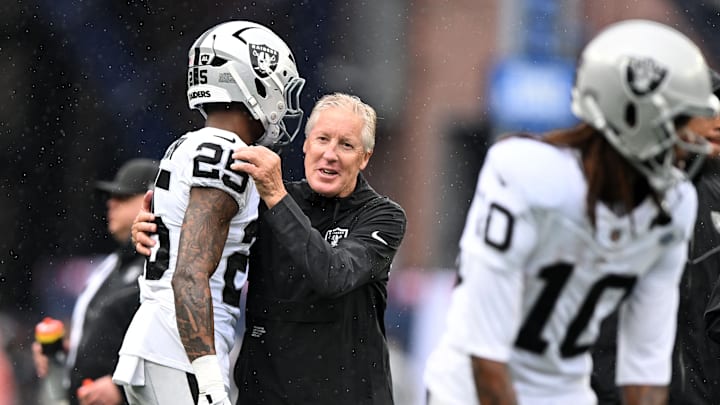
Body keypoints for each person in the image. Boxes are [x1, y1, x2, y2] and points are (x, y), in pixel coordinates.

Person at [423, 19, 719, 405]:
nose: (694, 142)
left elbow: (644, 370)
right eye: (681, 123)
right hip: (468, 391)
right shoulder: (524, 172)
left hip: (564, 391)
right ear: (631, 114)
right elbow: (487, 354)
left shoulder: (675, 205)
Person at [132, 93, 408, 404]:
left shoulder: (383, 216)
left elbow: (333, 276)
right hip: (265, 394)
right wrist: (157, 233)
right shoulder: (267, 200)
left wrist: (277, 196)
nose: (330, 154)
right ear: (305, 145)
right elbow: (205, 248)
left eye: (346, 145)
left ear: (365, 157)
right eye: (322, 139)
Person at [111, 20, 305, 405]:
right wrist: (210, 380)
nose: (284, 102)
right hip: (179, 349)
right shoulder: (224, 153)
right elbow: (189, 275)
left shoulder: (193, 144)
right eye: (279, 85)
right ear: (251, 81)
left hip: (165, 342)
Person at [32, 158, 159, 405]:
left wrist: (122, 389)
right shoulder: (113, 264)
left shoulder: (165, 262)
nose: (111, 203)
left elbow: (173, 343)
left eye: (124, 197)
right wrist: (68, 353)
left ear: (152, 200)